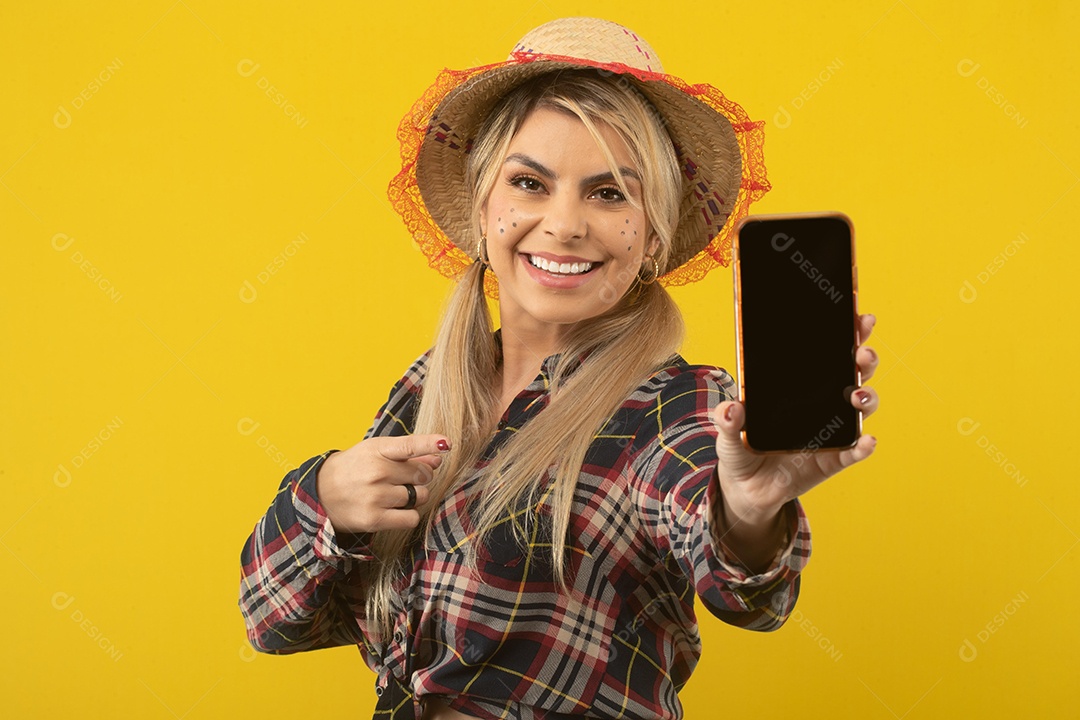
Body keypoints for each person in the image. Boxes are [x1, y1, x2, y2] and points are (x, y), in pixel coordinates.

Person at [239, 17, 879, 720]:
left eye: (609, 194)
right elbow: (272, 623)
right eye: (530, 183)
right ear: (485, 210)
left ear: (655, 234)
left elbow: (743, 584)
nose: (566, 224)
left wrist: (749, 517)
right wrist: (325, 495)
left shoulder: (673, 407)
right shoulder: (429, 392)